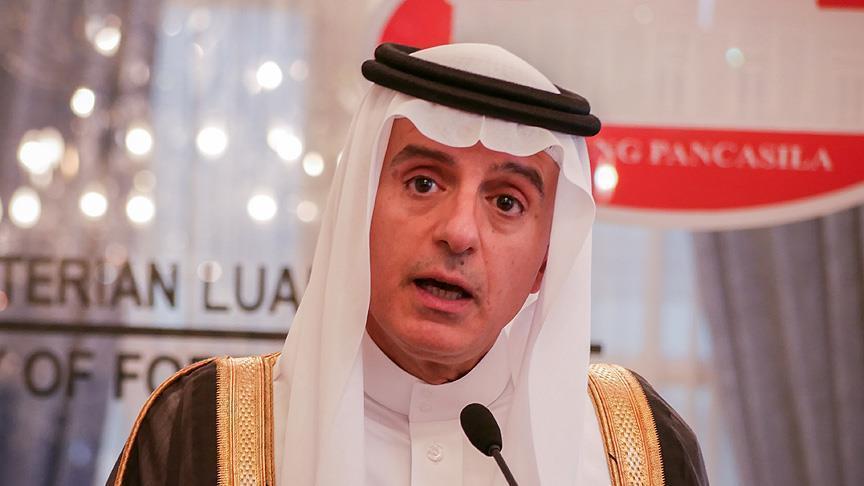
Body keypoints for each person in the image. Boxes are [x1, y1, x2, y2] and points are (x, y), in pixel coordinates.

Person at [107, 43, 707, 486]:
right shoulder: (206, 427)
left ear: (547, 259)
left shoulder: (638, 447)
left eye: (506, 202)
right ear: (359, 209)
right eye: (423, 183)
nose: (459, 233)